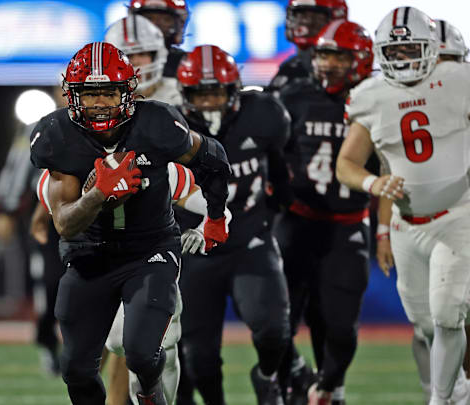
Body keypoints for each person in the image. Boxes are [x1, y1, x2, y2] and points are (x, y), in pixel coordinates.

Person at [336, 6, 470, 404]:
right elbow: (347, 164)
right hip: (408, 224)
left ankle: (443, 399)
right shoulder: (369, 96)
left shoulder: (457, 79)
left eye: (411, 49)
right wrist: (375, 183)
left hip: (460, 214)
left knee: (449, 314)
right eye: (395, 50)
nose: (403, 59)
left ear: (431, 49)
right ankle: (459, 390)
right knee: (425, 325)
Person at [29, 42, 231, 405]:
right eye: (90, 95)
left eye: (109, 92)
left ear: (128, 92)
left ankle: (150, 391)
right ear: (73, 96)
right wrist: (97, 195)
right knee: (75, 369)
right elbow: (65, 225)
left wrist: (215, 216)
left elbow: (212, 159)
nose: (101, 103)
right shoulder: (58, 137)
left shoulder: (156, 124)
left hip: (149, 250)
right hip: (89, 253)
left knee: (139, 350)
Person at [374, 18, 470, 402]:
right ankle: (444, 388)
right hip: (420, 217)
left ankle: (457, 389)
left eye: (452, 60)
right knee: (429, 322)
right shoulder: (402, 97)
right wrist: (384, 230)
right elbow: (391, 172)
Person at [174, 44, 292, 405]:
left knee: (274, 331)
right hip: (195, 248)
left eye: (216, 91)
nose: (209, 102)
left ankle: (266, 376)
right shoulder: (171, 127)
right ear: (185, 94)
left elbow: (280, 172)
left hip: (248, 241)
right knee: (199, 356)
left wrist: (268, 219)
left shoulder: (264, 114)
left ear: (234, 88)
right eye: (201, 93)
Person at [272, 20, 374, 405]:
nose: (329, 64)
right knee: (277, 322)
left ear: (359, 59)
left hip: (347, 224)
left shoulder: (375, 100)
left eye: (339, 56)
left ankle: (328, 387)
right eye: (324, 54)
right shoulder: (293, 95)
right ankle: (292, 383)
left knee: (341, 328)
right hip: (297, 219)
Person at [104, 15, 186, 405]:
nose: (137, 63)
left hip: (173, 228)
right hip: (112, 233)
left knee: (153, 340)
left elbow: (205, 165)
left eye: (144, 54)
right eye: (127, 56)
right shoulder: (97, 99)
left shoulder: (184, 93)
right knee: (117, 340)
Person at [0, 87, 66, 377]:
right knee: (48, 285)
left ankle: (89, 352)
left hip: (96, 216)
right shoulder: (41, 126)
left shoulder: (108, 122)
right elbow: (18, 167)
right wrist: (6, 209)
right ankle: (49, 344)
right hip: (47, 216)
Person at [268, 0, 348, 94]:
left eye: (315, 17)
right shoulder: (291, 68)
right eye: (300, 16)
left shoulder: (345, 67)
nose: (304, 22)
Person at [129, 0, 189, 78]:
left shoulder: (185, 63)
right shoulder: (119, 59)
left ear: (179, 24)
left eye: (165, 19)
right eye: (148, 18)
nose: (154, 26)